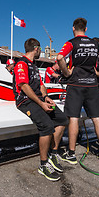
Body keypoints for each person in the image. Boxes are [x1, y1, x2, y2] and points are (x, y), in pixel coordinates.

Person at [56, 18, 99, 164]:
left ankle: (71, 154)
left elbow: (59, 58)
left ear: (73, 28)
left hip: (76, 84)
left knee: (74, 118)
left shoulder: (71, 42)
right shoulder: (95, 44)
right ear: (86, 29)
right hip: (92, 85)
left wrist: (66, 73)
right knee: (97, 118)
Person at [13, 38, 68, 181]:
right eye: (40, 49)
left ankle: (53, 153)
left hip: (38, 99)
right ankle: (43, 165)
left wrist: (45, 97)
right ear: (36, 49)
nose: (40, 51)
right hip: (25, 101)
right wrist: (40, 103)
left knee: (62, 119)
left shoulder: (34, 66)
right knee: (47, 126)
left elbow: (41, 85)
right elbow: (23, 86)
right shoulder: (21, 63)